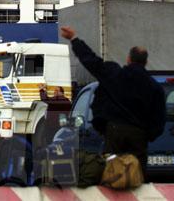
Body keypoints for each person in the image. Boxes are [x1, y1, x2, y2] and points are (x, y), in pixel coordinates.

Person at [60, 26, 166, 174]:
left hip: (114, 131)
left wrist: (74, 39)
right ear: (146, 62)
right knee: (137, 174)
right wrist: (148, 135)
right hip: (139, 134)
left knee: (112, 172)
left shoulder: (113, 74)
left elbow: (92, 61)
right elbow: (159, 118)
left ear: (128, 59)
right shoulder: (154, 87)